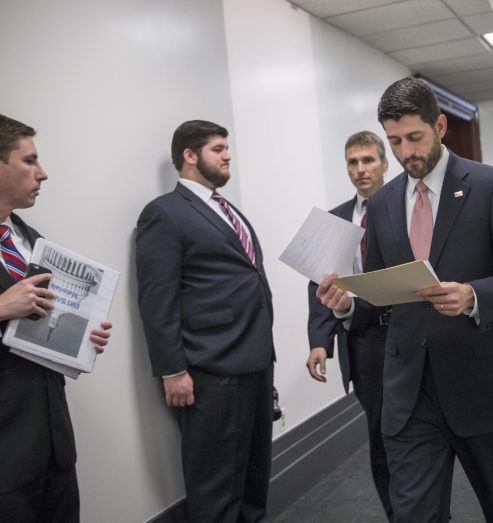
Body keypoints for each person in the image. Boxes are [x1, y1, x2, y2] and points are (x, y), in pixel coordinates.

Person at [316, 77, 493, 522]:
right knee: (413, 514)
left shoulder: (491, 186)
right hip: (409, 389)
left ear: (440, 126)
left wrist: (473, 295)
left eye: (415, 138)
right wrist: (347, 305)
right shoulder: (383, 203)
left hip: (481, 380)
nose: (406, 153)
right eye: (395, 141)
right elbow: (383, 290)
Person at [135, 120, 275, 522]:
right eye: (218, 148)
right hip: (210, 370)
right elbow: (156, 299)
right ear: (189, 156)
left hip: (255, 361)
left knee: (253, 479)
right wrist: (171, 369)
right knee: (216, 487)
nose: (227, 155)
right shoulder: (164, 213)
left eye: (227, 147)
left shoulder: (230, 211)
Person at [0, 114, 112, 522]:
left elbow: (36, 326)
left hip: (53, 446)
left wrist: (81, 337)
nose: (43, 173)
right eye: (29, 161)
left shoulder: (31, 239)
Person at [306, 131, 393, 519]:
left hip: (409, 337)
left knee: (417, 434)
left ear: (384, 164)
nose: (360, 170)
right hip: (362, 343)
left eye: (368, 161)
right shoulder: (336, 219)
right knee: (379, 436)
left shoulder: (406, 207)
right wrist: (319, 341)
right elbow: (319, 282)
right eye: (353, 163)